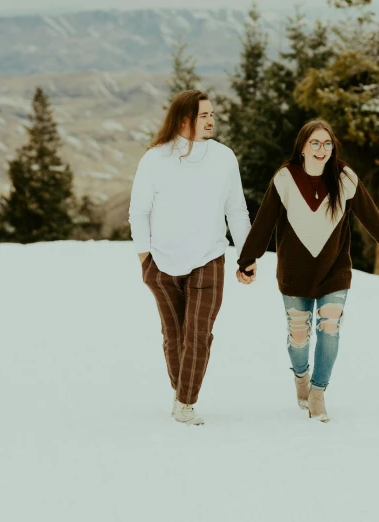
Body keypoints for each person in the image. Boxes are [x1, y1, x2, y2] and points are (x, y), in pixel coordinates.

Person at [236, 120, 379, 422]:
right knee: (299, 337)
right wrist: (246, 260)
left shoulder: (345, 179)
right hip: (295, 274)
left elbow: (372, 218)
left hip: (335, 270)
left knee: (330, 327)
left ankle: (318, 391)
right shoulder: (285, 179)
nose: (322, 149)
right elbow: (263, 223)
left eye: (327, 143)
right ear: (302, 147)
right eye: (315, 143)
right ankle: (301, 376)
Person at [128, 90, 251, 426]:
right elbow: (139, 212)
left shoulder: (224, 158)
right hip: (161, 262)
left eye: (212, 114)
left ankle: (185, 402)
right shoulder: (155, 159)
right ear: (184, 121)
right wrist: (145, 258)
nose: (212, 120)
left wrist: (247, 254)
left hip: (210, 258)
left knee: (199, 334)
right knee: (175, 334)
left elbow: (236, 210)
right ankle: (181, 390)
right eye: (204, 115)